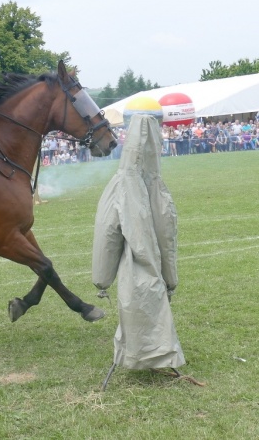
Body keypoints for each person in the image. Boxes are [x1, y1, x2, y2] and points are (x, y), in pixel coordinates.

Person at [92, 114, 185, 389]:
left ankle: (150, 353)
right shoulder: (156, 186)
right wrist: (170, 278)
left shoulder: (125, 185)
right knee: (143, 301)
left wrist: (102, 278)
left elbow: (106, 232)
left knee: (137, 301)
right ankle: (154, 353)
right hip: (144, 263)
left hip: (137, 264)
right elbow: (167, 239)